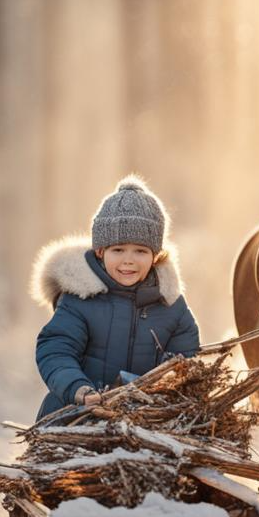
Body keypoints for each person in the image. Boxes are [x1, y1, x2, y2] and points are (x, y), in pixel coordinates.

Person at [30, 175, 200, 420]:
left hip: (146, 422)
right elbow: (56, 350)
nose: (128, 260)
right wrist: (77, 388)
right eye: (118, 249)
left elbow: (185, 363)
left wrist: (167, 393)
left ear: (155, 255)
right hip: (77, 415)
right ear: (100, 251)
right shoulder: (80, 299)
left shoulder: (172, 307)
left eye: (140, 251)